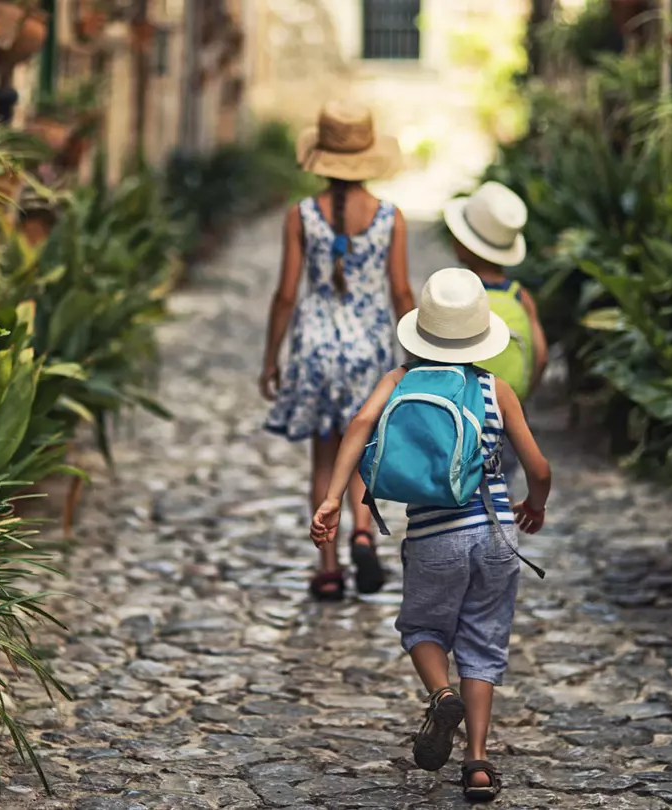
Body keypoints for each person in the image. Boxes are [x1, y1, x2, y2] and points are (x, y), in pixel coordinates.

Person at [308, 267, 552, 801]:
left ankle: (442, 694)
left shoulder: (398, 380)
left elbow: (358, 426)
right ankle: (479, 764)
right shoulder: (496, 389)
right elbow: (538, 467)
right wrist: (534, 504)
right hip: (495, 537)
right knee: (484, 644)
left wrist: (332, 497)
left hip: (434, 537)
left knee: (422, 628)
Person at [261, 101, 415, 602]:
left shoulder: (301, 215)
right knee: (364, 453)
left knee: (324, 460)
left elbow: (286, 293)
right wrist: (415, 361)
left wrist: (271, 358)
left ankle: (328, 569)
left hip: (314, 348)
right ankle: (363, 534)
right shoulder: (392, 218)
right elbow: (401, 293)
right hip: (369, 351)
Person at [443, 181, 547, 406]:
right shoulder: (520, 296)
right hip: (506, 408)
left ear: (464, 244)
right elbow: (541, 356)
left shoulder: (456, 291)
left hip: (460, 408)